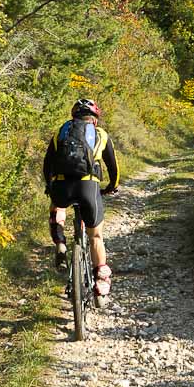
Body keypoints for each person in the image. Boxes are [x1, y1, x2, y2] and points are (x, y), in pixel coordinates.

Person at [43, 98, 119, 306]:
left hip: (62, 187)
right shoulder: (101, 134)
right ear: (94, 119)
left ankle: (60, 243)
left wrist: (50, 186)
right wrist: (112, 186)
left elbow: (47, 164)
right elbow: (113, 167)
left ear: (73, 117)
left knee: (57, 207)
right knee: (95, 235)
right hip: (88, 187)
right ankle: (101, 287)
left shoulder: (61, 132)